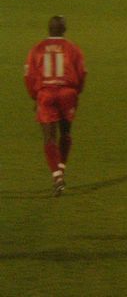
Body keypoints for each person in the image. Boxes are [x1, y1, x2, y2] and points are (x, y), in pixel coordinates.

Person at [24, 16, 87, 196]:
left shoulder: (37, 49)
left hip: (46, 94)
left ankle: (57, 176)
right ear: (64, 30)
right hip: (68, 93)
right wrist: (76, 93)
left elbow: (29, 76)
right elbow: (82, 73)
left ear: (49, 29)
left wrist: (34, 97)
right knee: (65, 132)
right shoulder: (73, 49)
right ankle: (61, 166)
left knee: (49, 136)